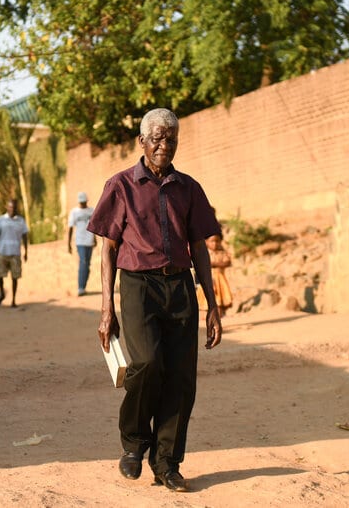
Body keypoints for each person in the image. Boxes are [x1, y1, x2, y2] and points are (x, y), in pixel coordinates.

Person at [88, 108, 223, 493]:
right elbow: (107, 250)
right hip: (137, 287)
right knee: (146, 364)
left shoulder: (189, 188)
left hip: (179, 286)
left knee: (181, 378)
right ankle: (133, 442)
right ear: (143, 142)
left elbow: (199, 247)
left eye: (172, 139)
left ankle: (167, 464)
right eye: (158, 138)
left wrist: (212, 304)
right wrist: (105, 309)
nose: (165, 145)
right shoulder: (120, 186)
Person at [0, 199, 28, 307]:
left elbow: (25, 236)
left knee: (15, 277)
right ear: (7, 207)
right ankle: (2, 293)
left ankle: (13, 300)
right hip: (3, 252)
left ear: (16, 208)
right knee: (0, 275)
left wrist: (26, 251)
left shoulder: (21, 221)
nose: (12, 210)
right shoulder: (0, 220)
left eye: (14, 208)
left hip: (15, 253)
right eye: (10, 207)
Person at [67, 191, 95, 296]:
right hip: (80, 241)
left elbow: (94, 226)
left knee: (87, 264)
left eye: (84, 202)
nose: (82, 204)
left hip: (89, 241)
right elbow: (70, 227)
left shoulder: (92, 211)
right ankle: (80, 288)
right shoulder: (74, 212)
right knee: (83, 262)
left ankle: (84, 286)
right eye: (81, 202)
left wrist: (95, 239)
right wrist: (68, 244)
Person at [205, 233, 233, 317]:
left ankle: (220, 316)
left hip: (220, 278)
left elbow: (227, 262)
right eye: (212, 241)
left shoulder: (222, 252)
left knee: (220, 299)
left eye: (217, 241)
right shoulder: (205, 253)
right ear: (206, 242)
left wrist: (214, 264)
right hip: (209, 279)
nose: (215, 243)